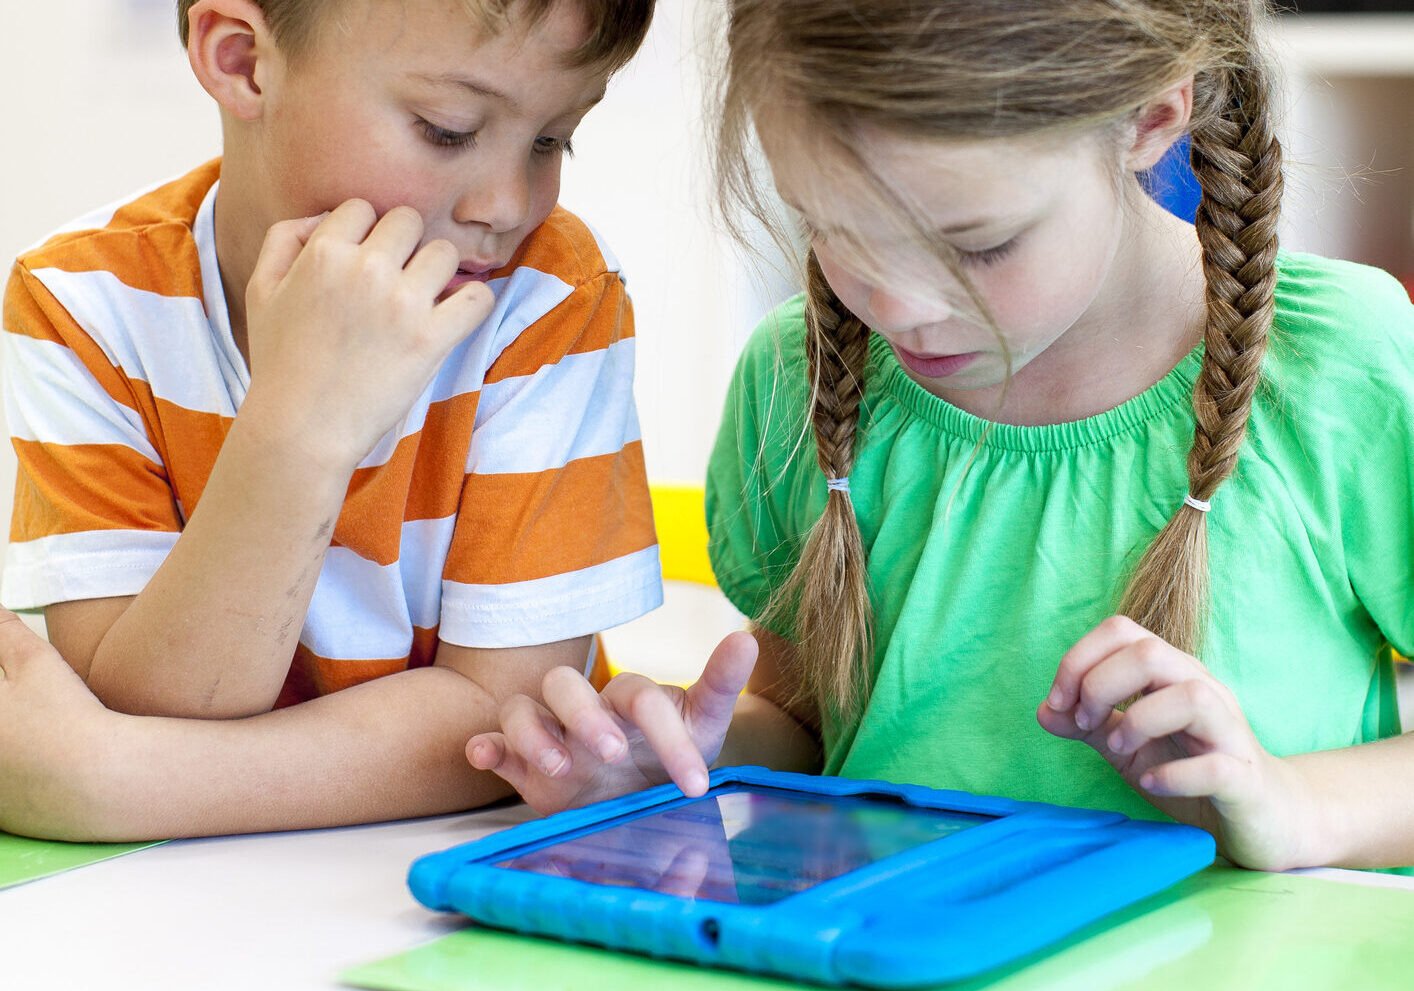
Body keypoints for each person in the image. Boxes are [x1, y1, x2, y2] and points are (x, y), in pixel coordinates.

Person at [466, 0, 1414, 872]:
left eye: (976, 245)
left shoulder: (1343, 366)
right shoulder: (794, 378)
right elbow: (810, 721)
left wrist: (1296, 805)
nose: (902, 309)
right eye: (837, 228)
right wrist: (675, 757)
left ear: (1151, 119)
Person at [0, 0, 659, 840]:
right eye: (446, 130)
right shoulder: (84, 302)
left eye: (551, 140)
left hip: (417, 867)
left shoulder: (547, 300)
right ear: (241, 61)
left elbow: (513, 724)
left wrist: (109, 780)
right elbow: (150, 704)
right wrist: (300, 426)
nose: (506, 203)